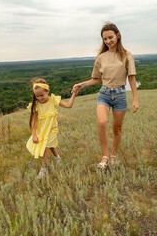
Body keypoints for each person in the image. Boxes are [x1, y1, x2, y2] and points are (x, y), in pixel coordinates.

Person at [72, 22, 139, 169]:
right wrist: (81, 84)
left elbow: (131, 77)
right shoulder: (101, 57)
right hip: (104, 93)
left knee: (117, 129)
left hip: (120, 94)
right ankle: (105, 156)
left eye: (110, 37)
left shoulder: (127, 55)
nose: (108, 41)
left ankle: (114, 155)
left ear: (118, 35)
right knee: (102, 123)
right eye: (105, 39)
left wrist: (135, 99)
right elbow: (97, 79)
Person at [27, 78, 78, 178]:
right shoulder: (36, 105)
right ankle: (57, 157)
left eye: (42, 95)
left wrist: (74, 94)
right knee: (50, 145)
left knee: (46, 146)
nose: (39, 98)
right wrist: (34, 134)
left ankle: (43, 169)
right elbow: (33, 121)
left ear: (47, 91)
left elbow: (68, 105)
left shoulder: (53, 100)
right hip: (41, 130)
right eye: (37, 96)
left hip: (52, 129)